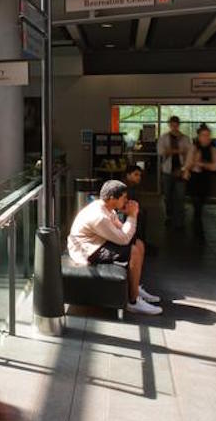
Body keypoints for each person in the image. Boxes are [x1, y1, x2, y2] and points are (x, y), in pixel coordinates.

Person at [67, 180, 161, 315]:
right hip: (87, 250)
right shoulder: (99, 216)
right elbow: (123, 239)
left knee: (139, 244)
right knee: (133, 251)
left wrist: (129, 217)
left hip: (98, 241)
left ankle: (134, 287)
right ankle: (132, 301)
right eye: (124, 198)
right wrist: (132, 216)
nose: (127, 200)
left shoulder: (107, 208)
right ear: (112, 198)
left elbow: (122, 230)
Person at [122, 164, 156, 302]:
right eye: (136, 174)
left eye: (139, 175)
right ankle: (134, 294)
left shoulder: (131, 189)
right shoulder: (127, 190)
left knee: (139, 245)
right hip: (127, 227)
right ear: (128, 175)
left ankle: (136, 288)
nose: (138, 178)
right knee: (136, 248)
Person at [185, 124, 216, 239]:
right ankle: (198, 230)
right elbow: (189, 164)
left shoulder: (213, 148)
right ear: (199, 136)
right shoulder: (194, 147)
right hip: (195, 179)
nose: (206, 138)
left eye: (208, 135)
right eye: (203, 135)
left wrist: (201, 163)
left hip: (205, 179)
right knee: (197, 206)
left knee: (201, 203)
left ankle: (197, 226)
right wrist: (197, 164)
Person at [156, 116, 188, 229]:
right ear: (169, 125)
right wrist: (178, 151)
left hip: (181, 170)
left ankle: (180, 220)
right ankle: (169, 216)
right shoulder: (164, 137)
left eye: (176, 125)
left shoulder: (184, 138)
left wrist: (171, 151)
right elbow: (161, 151)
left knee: (180, 196)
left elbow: (189, 152)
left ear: (178, 125)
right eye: (172, 125)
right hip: (167, 170)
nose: (174, 127)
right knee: (168, 196)